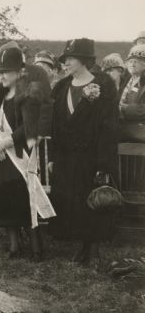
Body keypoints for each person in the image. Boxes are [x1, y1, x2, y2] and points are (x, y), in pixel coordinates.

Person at [49, 38, 118, 266]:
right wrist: (53, 157)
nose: (65, 63)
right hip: (67, 157)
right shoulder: (61, 88)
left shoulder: (104, 85)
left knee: (93, 200)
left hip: (92, 156)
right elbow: (55, 126)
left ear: (84, 60)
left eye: (69, 59)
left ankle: (94, 247)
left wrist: (103, 164)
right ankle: (82, 245)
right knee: (74, 201)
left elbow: (108, 128)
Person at [0, 43, 54, 260]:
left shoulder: (28, 95)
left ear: (19, 72)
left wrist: (3, 144)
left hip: (19, 157)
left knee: (24, 203)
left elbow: (27, 127)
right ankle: (13, 246)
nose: (1, 76)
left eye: (6, 72)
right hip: (0, 159)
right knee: (5, 203)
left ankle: (36, 248)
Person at [117, 45, 145, 190]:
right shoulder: (127, 81)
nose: (133, 63)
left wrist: (122, 109)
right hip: (126, 129)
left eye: (138, 60)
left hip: (139, 130)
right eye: (130, 60)